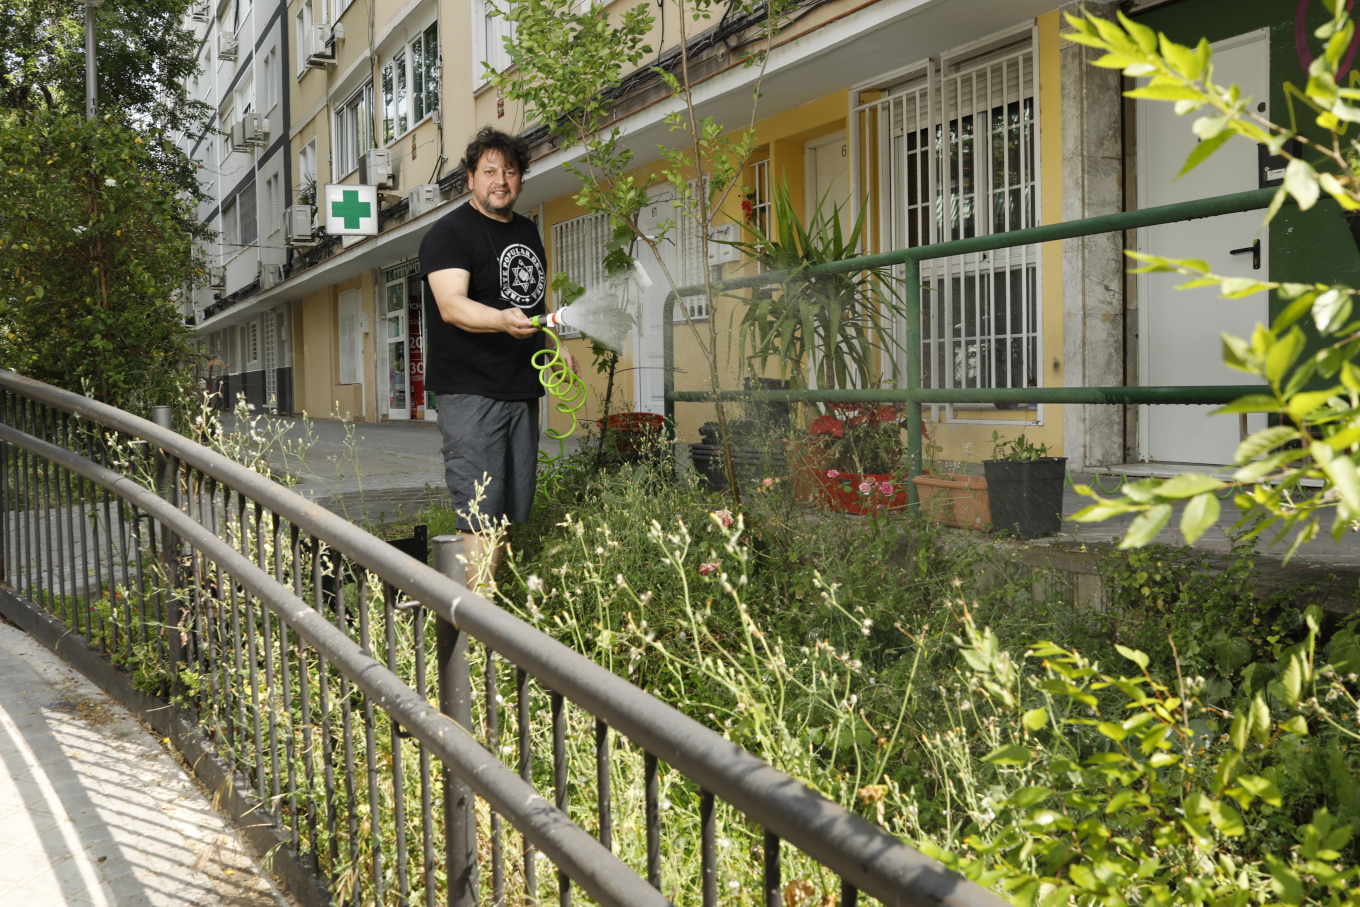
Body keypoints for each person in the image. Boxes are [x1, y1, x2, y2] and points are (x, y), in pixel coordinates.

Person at [420, 127, 578, 589]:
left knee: (505, 509)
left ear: (521, 179)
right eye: (489, 171)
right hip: (471, 391)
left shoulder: (526, 230)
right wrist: (501, 321)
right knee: (479, 512)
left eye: (509, 171)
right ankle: (475, 619)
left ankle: (486, 606)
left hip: (519, 389)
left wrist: (553, 343)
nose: (500, 180)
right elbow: (452, 306)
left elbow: (530, 302)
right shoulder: (448, 234)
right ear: (470, 178)